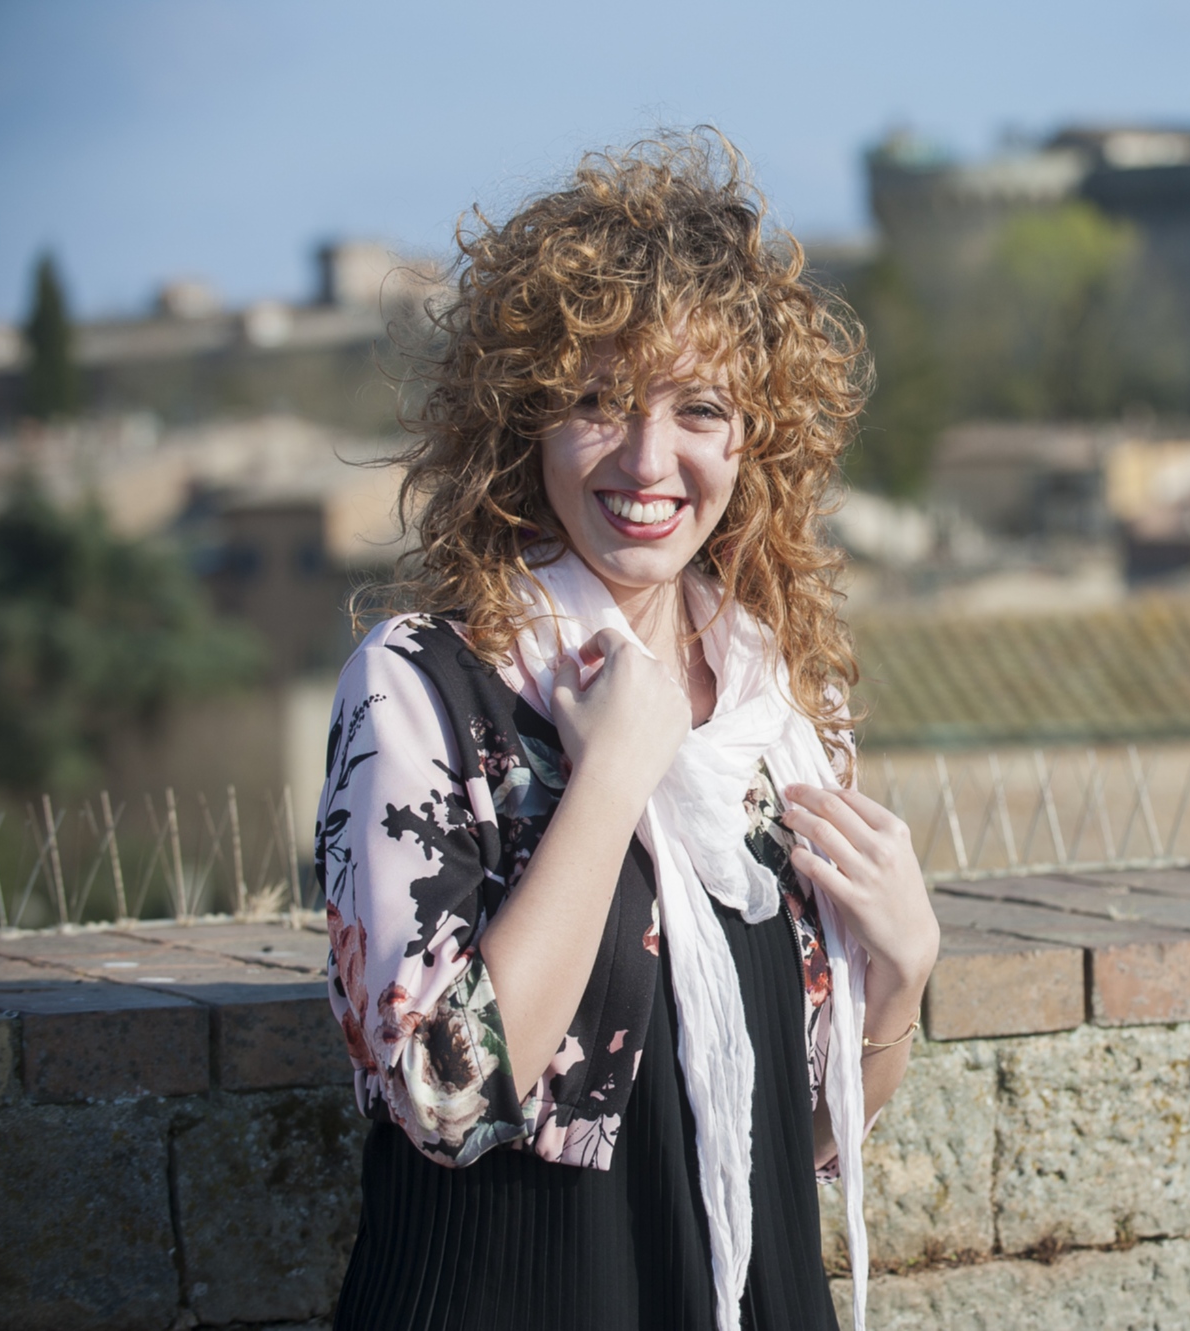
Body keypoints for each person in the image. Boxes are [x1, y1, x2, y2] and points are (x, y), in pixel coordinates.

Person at [315, 132, 939, 1331]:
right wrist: (607, 780)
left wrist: (901, 976)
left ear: (752, 439)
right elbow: (448, 1095)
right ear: (523, 422)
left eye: (697, 408)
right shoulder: (422, 689)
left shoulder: (784, 710)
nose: (649, 461)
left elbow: (798, 1134)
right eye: (596, 403)